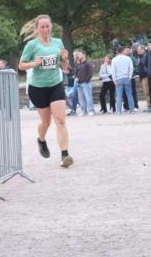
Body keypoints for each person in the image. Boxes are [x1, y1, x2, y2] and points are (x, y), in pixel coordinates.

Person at [18, 14, 73, 167]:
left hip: (56, 84)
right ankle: (41, 140)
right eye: (42, 27)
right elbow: (21, 65)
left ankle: (65, 155)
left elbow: (65, 67)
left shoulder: (58, 42)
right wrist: (33, 64)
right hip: (38, 88)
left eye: (47, 26)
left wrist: (65, 58)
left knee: (61, 120)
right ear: (37, 28)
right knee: (46, 122)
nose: (45, 29)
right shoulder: (32, 45)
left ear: (51, 27)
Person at [111, 45, 136, 113]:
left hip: (118, 78)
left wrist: (114, 80)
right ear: (122, 51)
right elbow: (131, 68)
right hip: (126, 77)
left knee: (119, 95)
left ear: (117, 51)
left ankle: (119, 111)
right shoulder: (128, 58)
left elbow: (113, 71)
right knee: (129, 94)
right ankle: (132, 109)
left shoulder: (114, 60)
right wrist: (129, 77)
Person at [74, 50, 95, 115]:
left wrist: (86, 81)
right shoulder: (78, 64)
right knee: (81, 99)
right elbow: (76, 72)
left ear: (84, 55)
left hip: (86, 83)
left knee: (88, 97)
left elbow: (90, 73)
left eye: (79, 54)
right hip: (79, 84)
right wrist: (76, 77)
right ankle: (83, 111)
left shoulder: (88, 63)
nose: (78, 56)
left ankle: (91, 110)